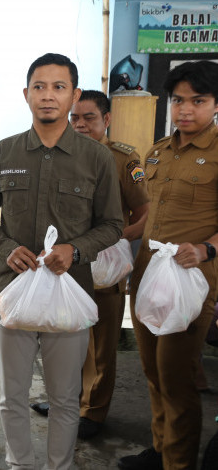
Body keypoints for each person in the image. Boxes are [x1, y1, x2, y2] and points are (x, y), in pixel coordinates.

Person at [0, 53, 123, 469]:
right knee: (11, 396)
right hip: (12, 293)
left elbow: (112, 224)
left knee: (65, 396)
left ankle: (60, 465)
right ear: (26, 94)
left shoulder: (97, 159)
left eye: (59, 87)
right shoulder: (4, 153)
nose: (48, 96)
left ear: (73, 95)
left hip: (68, 294)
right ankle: (20, 463)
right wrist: (5, 247)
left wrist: (74, 250)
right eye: (39, 87)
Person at [30, 90, 150, 440]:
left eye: (90, 118)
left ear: (106, 119)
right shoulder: (60, 154)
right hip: (64, 266)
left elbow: (145, 217)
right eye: (75, 118)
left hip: (103, 265)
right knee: (64, 335)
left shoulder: (122, 160)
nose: (80, 125)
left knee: (99, 343)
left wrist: (107, 241)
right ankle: (66, 400)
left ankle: (93, 412)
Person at [118, 60, 218, 470]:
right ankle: (160, 451)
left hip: (189, 283)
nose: (186, 109)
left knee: (175, 379)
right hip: (146, 278)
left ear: (215, 104)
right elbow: (147, 212)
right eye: (178, 100)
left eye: (198, 100)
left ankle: (178, 463)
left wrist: (206, 250)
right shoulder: (157, 151)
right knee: (152, 373)